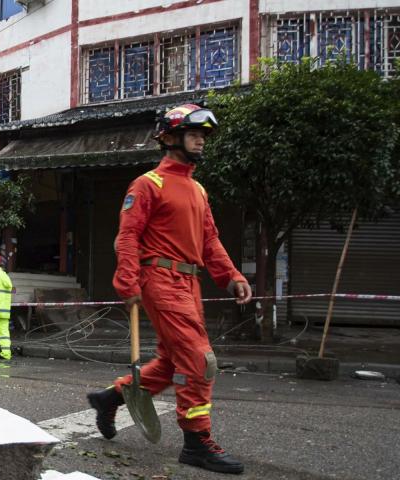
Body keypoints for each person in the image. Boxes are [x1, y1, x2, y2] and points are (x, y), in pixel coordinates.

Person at [87, 104, 252, 475]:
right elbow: (128, 236)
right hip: (160, 281)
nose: (201, 141)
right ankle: (196, 442)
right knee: (199, 360)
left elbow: (210, 240)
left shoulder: (197, 189)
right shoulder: (148, 184)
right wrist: (126, 281)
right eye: (194, 134)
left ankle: (110, 398)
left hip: (189, 282)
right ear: (170, 137)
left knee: (172, 360)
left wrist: (231, 277)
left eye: (203, 135)